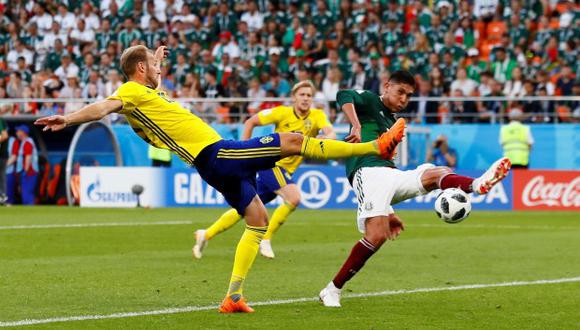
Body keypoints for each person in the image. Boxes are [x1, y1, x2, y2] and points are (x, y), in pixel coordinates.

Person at [35, 45, 406, 314]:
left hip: (210, 164)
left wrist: (157, 63)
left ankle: (233, 296)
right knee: (292, 142)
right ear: (139, 69)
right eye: (151, 63)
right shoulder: (130, 91)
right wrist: (67, 119)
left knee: (258, 219)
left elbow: (149, 90)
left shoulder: (146, 93)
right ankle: (376, 144)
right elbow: (105, 106)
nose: (157, 66)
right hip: (216, 153)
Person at [318, 70, 512, 308]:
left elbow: (386, 175)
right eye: (400, 92)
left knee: (436, 172)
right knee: (376, 236)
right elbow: (343, 94)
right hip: (366, 170)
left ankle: (475, 185)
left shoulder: (391, 121)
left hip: (389, 174)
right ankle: (332, 290)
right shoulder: (369, 100)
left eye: (409, 96)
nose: (404, 100)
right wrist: (356, 126)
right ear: (387, 86)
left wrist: (389, 211)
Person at [193, 80, 336, 260]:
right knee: (294, 198)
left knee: (246, 208)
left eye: (309, 95)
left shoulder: (317, 115)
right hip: (272, 166)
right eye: (302, 94)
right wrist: (242, 150)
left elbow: (331, 132)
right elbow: (251, 121)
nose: (306, 99)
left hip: (285, 172)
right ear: (293, 97)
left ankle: (205, 234)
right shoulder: (282, 112)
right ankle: (266, 238)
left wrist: (326, 136)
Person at [7, 125, 39, 205]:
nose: (16, 133)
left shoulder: (27, 142)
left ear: (23, 133)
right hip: (28, 172)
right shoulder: (25, 142)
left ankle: (31, 212)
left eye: (18, 131)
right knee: (25, 193)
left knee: (27, 194)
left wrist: (25, 171)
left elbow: (28, 158)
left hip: (30, 173)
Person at [0, 114, 8, 204]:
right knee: (2, 177)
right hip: (3, 155)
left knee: (2, 177)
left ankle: (3, 198)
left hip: (1, 155)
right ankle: (3, 198)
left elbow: (4, 135)